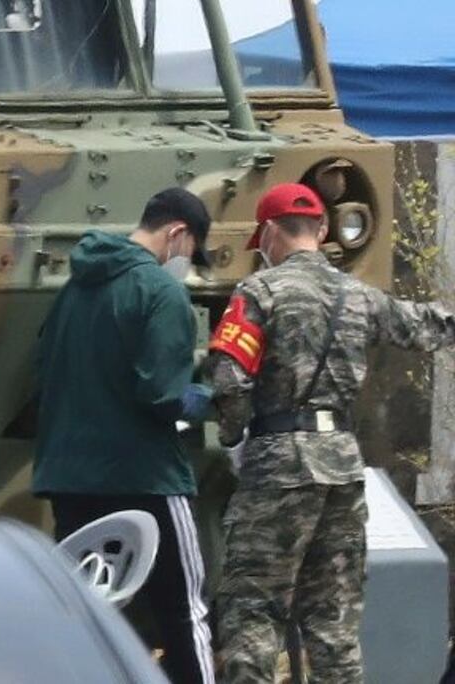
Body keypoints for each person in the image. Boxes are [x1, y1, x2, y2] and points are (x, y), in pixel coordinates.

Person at [209, 183, 455, 683]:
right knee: (334, 619)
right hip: (342, 466)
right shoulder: (359, 295)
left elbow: (230, 378)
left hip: (278, 467)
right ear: (322, 231)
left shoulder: (258, 293)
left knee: (253, 610)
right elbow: (427, 327)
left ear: (272, 233)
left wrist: (233, 437)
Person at [33, 187, 216, 684]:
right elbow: (163, 394)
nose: (187, 265)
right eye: (190, 252)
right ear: (177, 233)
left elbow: (44, 369)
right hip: (146, 479)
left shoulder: (73, 289)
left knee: (86, 618)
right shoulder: (161, 291)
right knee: (184, 613)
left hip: (69, 477)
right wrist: (212, 395)